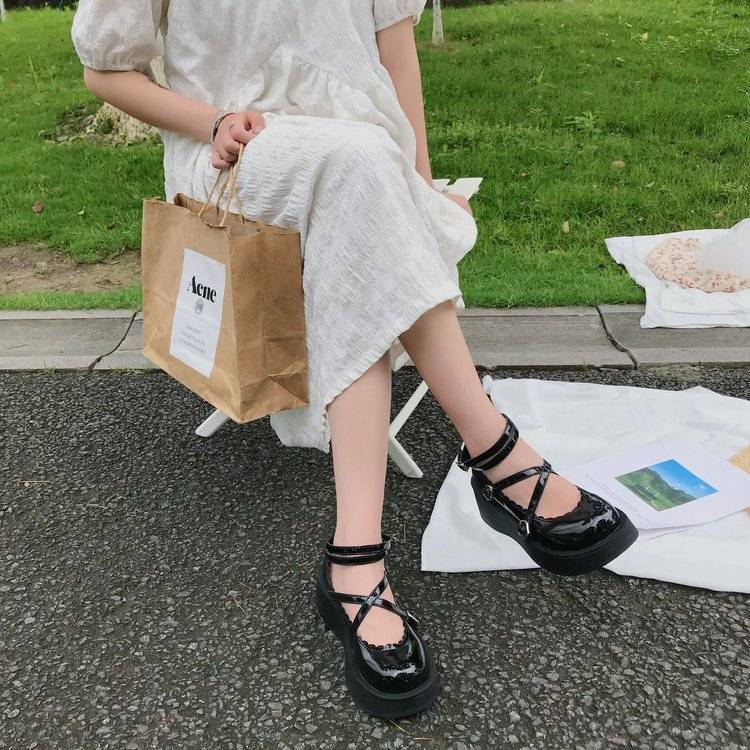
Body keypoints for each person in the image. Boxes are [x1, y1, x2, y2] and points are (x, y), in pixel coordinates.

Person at [71, 0, 637, 719]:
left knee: (363, 182)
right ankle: (495, 454)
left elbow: (396, 54)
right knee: (357, 171)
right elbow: (105, 71)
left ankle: (356, 561)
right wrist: (212, 121)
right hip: (234, 158)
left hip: (371, 161)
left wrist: (423, 187)